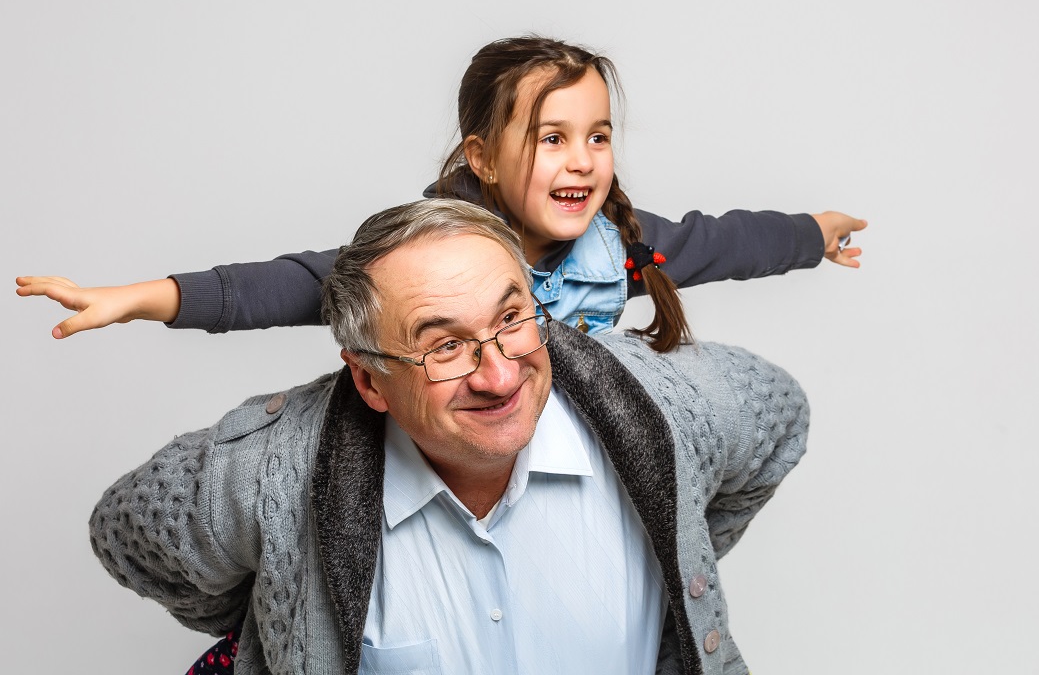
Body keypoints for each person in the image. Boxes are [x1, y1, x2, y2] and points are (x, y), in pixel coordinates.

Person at [89, 199, 809, 675]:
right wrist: (280, 607)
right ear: (369, 380)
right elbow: (128, 534)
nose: (499, 374)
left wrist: (677, 540)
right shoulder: (270, 471)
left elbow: (779, 416)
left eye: (512, 319)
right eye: (444, 346)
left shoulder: (665, 405)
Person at [16, 36, 866, 352]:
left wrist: (813, 231)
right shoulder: (429, 253)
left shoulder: (621, 246)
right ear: (482, 158)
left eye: (598, 137)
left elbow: (730, 242)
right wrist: (141, 299)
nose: (582, 162)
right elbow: (295, 284)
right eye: (551, 138)